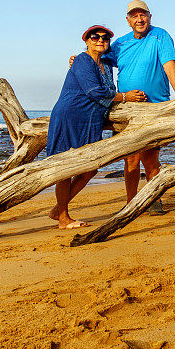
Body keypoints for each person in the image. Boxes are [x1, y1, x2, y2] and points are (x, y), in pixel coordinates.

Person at [46, 24, 146, 229]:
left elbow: (107, 90)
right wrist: (126, 97)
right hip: (71, 116)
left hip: (91, 120)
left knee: (90, 169)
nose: (100, 40)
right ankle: (63, 218)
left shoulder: (106, 64)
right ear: (86, 41)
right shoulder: (83, 60)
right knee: (66, 169)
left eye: (105, 38)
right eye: (95, 37)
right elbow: (95, 92)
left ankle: (58, 209)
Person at [113, 0, 175, 212]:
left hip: (155, 107)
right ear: (128, 20)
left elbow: (169, 64)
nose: (139, 19)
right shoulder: (120, 44)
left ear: (150, 17)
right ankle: (131, 203)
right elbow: (98, 58)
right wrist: (78, 59)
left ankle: (153, 199)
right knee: (131, 158)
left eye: (143, 15)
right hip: (127, 110)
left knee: (151, 158)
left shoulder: (160, 36)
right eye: (135, 16)